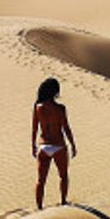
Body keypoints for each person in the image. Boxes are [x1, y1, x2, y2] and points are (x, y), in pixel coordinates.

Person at [31, 77, 76, 209]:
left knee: (41, 180)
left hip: (43, 146)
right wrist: (73, 144)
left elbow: (34, 128)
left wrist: (33, 145)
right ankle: (63, 201)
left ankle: (39, 207)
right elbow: (66, 128)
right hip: (58, 146)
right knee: (63, 176)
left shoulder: (38, 108)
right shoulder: (60, 108)